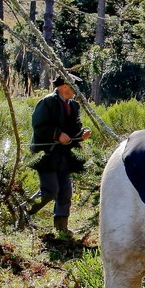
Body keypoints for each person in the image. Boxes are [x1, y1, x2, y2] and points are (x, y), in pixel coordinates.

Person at [30, 76, 92, 232]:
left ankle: (61, 228)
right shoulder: (47, 102)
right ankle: (23, 212)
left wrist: (82, 134)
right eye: (74, 86)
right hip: (46, 156)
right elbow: (38, 126)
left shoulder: (73, 105)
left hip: (64, 156)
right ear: (65, 86)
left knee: (65, 192)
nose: (77, 90)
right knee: (50, 192)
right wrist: (57, 135)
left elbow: (75, 128)